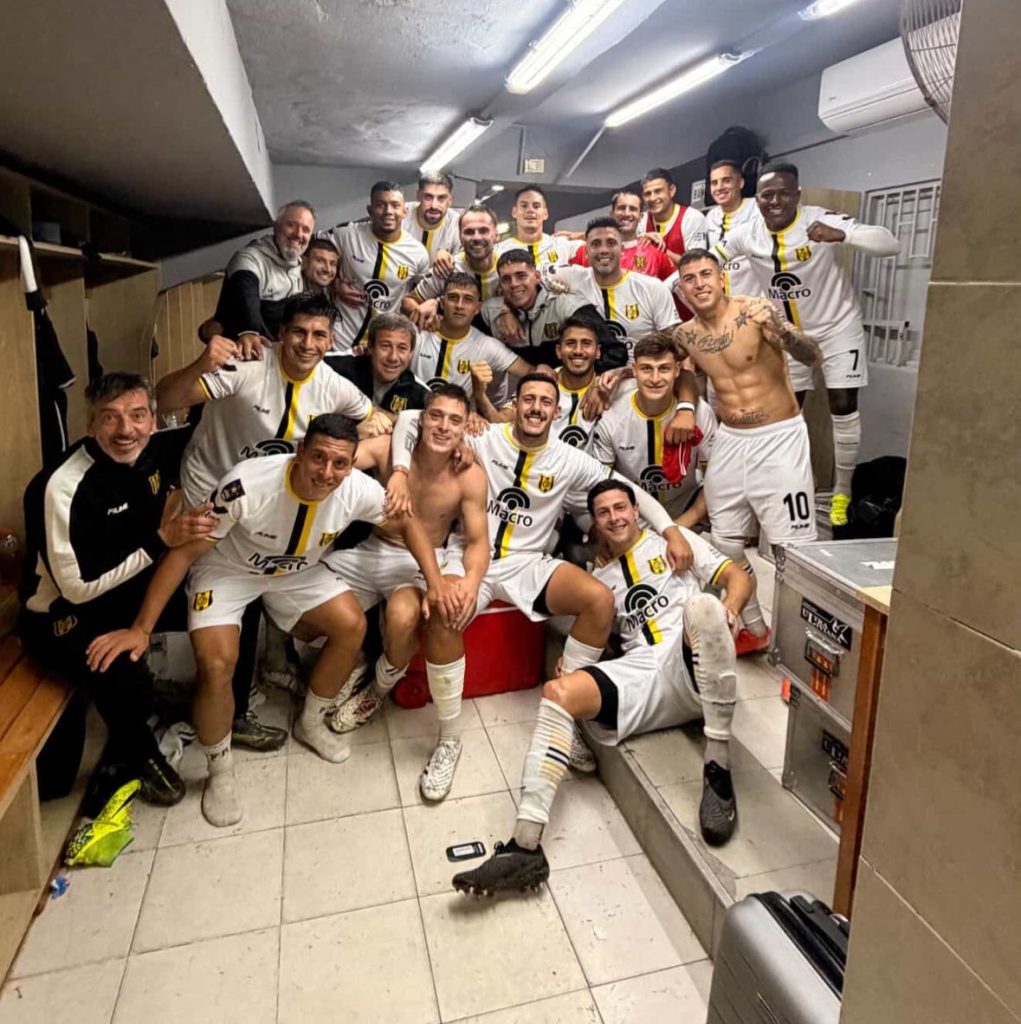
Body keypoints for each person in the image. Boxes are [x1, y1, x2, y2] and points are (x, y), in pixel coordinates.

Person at [86, 415, 447, 827]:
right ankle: (219, 771)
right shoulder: (247, 485)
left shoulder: (357, 490)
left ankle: (311, 722)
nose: (327, 473)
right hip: (227, 570)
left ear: (352, 465)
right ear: (300, 452)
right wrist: (141, 628)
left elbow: (408, 522)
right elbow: (184, 552)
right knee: (216, 664)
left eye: (340, 463)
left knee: (352, 626)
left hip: (295, 571)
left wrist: (435, 583)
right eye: (319, 458)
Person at [452, 478, 753, 894]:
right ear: (595, 523)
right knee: (558, 693)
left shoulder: (675, 542)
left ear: (636, 511)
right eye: (603, 512)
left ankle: (717, 767)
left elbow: (738, 578)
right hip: (643, 675)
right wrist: (574, 664)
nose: (614, 517)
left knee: (704, 607)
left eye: (621, 507)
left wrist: (730, 608)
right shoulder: (599, 579)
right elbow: (600, 639)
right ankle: (524, 848)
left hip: (690, 660)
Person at [389, 375, 697, 763]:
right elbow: (411, 418)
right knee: (444, 611)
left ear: (556, 411)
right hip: (468, 554)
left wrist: (671, 531)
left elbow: (628, 491)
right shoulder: (485, 437)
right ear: (514, 404)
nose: (536, 408)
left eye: (545, 402)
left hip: (527, 562)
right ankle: (448, 741)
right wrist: (401, 470)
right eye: (528, 399)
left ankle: (564, 717)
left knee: (598, 599)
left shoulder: (569, 459)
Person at [19, 373, 216, 805]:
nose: (126, 430)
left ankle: (227, 709)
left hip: (127, 585)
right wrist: (162, 540)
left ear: (153, 420)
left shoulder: (156, 450)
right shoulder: (59, 488)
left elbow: (211, 418)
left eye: (137, 416)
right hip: (62, 612)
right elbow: (76, 588)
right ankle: (140, 752)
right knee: (115, 663)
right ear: (90, 425)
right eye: (110, 418)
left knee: (216, 601)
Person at [712, 161, 899, 526]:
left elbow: (890, 243)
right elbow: (708, 261)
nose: (775, 201)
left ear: (797, 194)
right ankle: (789, 484)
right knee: (786, 413)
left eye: (784, 193)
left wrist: (843, 235)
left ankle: (842, 491)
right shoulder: (746, 234)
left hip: (837, 327)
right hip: (789, 336)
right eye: (767, 195)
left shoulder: (819, 219)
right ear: (757, 199)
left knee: (842, 404)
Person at [325, 385, 489, 800]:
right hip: (373, 547)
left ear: (464, 428)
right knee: (300, 594)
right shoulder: (389, 450)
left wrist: (470, 583)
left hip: (424, 557)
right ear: (420, 419)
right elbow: (338, 461)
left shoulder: (468, 473)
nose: (443, 427)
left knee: (414, 614)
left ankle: (392, 699)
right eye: (436, 416)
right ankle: (344, 667)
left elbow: (477, 541)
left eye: (455, 420)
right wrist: (363, 435)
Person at [672, 249, 822, 655]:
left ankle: (798, 651)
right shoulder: (685, 335)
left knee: (794, 551)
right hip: (731, 440)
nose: (699, 283)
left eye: (706, 274)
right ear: (681, 289)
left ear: (721, 277)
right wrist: (683, 405)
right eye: (689, 278)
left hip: (779, 437)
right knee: (723, 540)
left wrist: (781, 330)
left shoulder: (755, 312)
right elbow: (669, 367)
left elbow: (813, 355)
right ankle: (754, 628)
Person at [157, 293, 379, 511]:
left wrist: (360, 430)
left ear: (331, 341)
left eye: (319, 335)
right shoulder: (246, 365)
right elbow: (163, 400)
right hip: (210, 488)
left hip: (268, 500)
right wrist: (200, 365)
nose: (307, 344)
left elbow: (374, 417)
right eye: (299, 332)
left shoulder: (335, 386)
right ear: (282, 332)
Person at [593, 334, 716, 519]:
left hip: (686, 506)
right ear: (634, 370)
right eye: (646, 369)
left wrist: (677, 528)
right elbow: (602, 485)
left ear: (677, 370)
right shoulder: (612, 416)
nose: (655, 378)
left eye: (664, 368)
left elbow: (716, 480)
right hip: (633, 512)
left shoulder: (699, 412)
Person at [327, 182, 431, 354]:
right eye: (381, 205)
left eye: (395, 205)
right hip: (339, 342)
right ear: (370, 210)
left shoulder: (417, 253)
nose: (388, 211)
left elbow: (423, 294)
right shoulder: (347, 235)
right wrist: (332, 284)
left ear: (404, 212)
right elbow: (309, 251)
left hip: (383, 349)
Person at [555, 217, 679, 359]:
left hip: (639, 371)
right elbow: (535, 275)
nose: (603, 250)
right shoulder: (572, 277)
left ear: (622, 249)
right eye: (595, 244)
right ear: (586, 252)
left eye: (611, 243)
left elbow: (675, 346)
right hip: (587, 371)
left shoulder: (652, 288)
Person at [413, 273, 535, 417]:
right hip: (412, 416)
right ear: (442, 303)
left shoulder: (488, 346)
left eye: (468, 299)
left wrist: (509, 410)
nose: (459, 305)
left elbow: (533, 373)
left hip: (461, 423)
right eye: (453, 297)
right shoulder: (417, 334)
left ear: (477, 308)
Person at [481, 249, 619, 370]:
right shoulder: (490, 312)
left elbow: (614, 352)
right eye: (506, 279)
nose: (514, 284)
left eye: (521, 276)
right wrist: (505, 310)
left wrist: (586, 381)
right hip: (518, 388)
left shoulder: (568, 306)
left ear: (537, 277)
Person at [211, 200, 316, 360]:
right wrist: (251, 331)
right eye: (291, 225)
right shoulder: (250, 259)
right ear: (276, 226)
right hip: (240, 356)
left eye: (306, 230)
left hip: (277, 357)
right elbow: (248, 309)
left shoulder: (297, 265)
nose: (299, 234)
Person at [405, 202, 502, 328]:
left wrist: (509, 310)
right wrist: (425, 313)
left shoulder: (509, 269)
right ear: (460, 237)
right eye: (469, 232)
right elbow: (408, 302)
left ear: (496, 235)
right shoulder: (447, 268)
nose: (477, 237)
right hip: (451, 338)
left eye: (483, 231)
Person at [327, 312, 431, 416]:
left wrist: (399, 420)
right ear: (370, 346)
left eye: (402, 348)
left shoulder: (421, 394)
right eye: (385, 346)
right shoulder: (336, 368)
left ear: (411, 352)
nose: (393, 357)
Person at [567, 189, 675, 281]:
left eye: (633, 209)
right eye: (621, 208)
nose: (626, 214)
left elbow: (677, 286)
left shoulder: (655, 254)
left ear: (641, 217)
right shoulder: (585, 251)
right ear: (612, 214)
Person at [703, 160, 762, 298]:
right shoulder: (710, 216)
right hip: (723, 302)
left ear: (740, 183)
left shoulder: (758, 209)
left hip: (756, 299)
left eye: (726, 180)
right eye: (714, 183)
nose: (719, 187)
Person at [494, 186, 579, 270]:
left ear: (545, 214)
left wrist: (578, 235)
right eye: (524, 206)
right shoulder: (498, 251)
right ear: (514, 212)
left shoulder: (562, 245)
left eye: (536, 206)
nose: (530, 210)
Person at [640, 168, 708, 268]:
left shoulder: (692, 218)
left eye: (658, 191)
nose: (652, 198)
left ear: (671, 191)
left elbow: (697, 265)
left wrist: (659, 249)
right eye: (648, 194)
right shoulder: (641, 221)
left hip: (682, 278)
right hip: (650, 277)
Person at [402, 171, 461, 273]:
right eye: (428, 197)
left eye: (441, 198)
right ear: (418, 196)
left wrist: (449, 259)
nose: (434, 205)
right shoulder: (401, 215)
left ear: (450, 200)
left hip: (439, 281)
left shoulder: (457, 225)